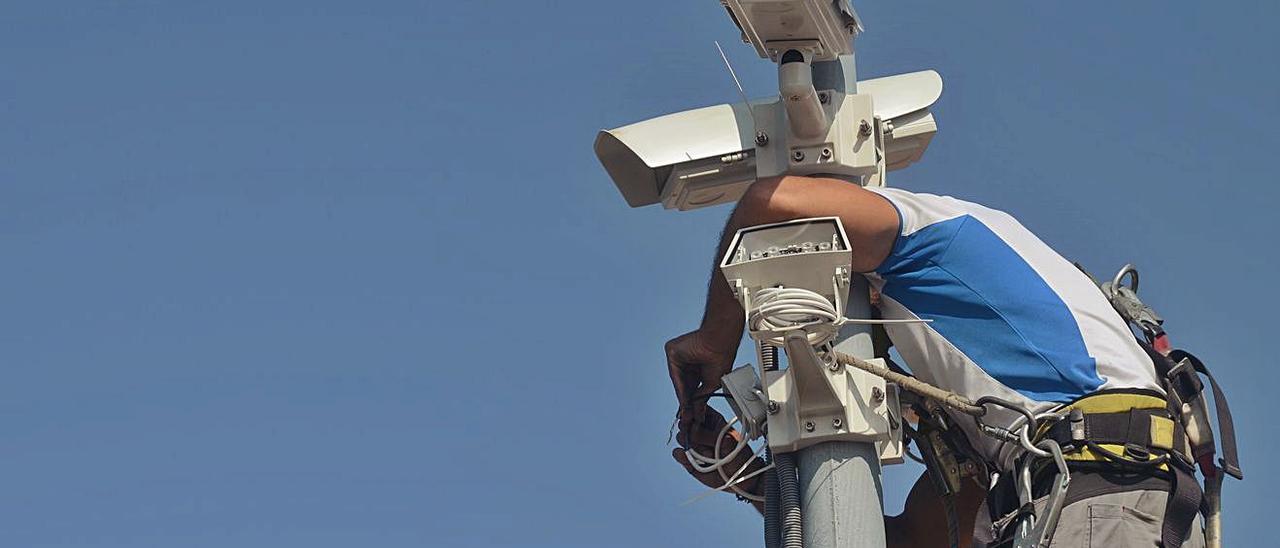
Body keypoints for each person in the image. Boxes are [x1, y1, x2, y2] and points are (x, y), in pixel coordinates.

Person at [665, 175, 1203, 547]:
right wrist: (752, 479)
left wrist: (716, 340)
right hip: (1101, 499)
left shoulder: (937, 234)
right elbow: (920, 540)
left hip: (1105, 491)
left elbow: (774, 201)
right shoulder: (994, 411)